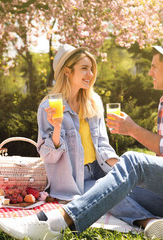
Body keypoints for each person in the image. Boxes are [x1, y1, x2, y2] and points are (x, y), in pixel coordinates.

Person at [0, 36, 163, 240]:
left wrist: (131, 132)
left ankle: (53, 223)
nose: (150, 72)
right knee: (113, 187)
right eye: (84, 68)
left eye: (154, 66)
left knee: (132, 162)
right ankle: (153, 224)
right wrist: (124, 175)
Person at [36, 44, 119, 201]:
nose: (91, 74)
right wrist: (57, 126)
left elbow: (102, 145)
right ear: (67, 71)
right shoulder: (48, 107)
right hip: (73, 181)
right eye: (84, 68)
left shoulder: (93, 103)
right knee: (111, 194)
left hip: (99, 169)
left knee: (131, 190)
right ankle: (148, 222)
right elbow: (48, 157)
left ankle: (159, 219)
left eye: (92, 69)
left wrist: (122, 168)